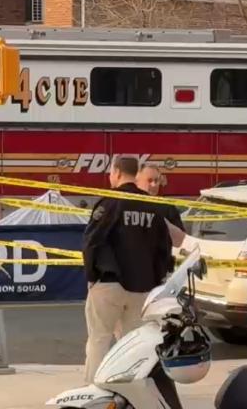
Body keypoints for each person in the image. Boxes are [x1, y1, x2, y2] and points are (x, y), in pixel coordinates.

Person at [82, 156, 171, 383]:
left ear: (117, 172)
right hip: (142, 287)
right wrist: (156, 281)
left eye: (111, 172)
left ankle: (93, 390)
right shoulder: (153, 206)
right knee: (131, 344)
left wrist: (92, 277)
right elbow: (164, 249)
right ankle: (128, 388)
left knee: (99, 339)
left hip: (109, 283)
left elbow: (92, 242)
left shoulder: (110, 202)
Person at [136, 163, 187, 250]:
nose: (154, 185)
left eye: (156, 181)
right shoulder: (126, 205)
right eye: (149, 180)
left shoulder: (167, 207)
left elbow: (181, 241)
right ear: (136, 181)